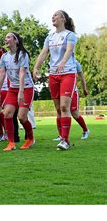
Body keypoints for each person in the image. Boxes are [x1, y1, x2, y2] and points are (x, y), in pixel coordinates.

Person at [34, 10, 78, 150]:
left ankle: (65, 140)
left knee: (65, 107)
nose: (53, 17)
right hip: (53, 74)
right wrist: (36, 68)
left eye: (56, 15)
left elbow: (69, 51)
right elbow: (43, 53)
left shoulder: (70, 35)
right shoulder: (50, 37)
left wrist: (63, 63)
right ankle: (62, 138)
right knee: (58, 108)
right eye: (52, 16)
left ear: (63, 19)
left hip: (68, 73)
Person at [0, 32, 35, 151]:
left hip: (26, 88)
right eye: (5, 37)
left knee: (22, 117)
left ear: (16, 40)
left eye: (8, 37)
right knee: (7, 114)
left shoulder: (23, 54)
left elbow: (22, 73)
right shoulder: (4, 56)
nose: (5, 39)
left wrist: (21, 91)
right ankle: (11, 143)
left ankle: (30, 138)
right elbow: (2, 74)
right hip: (12, 89)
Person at [68, 60, 89, 139]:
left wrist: (84, 89)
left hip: (73, 92)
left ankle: (86, 130)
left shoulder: (75, 62)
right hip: (61, 92)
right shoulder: (56, 61)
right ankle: (61, 135)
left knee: (75, 114)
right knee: (61, 112)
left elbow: (82, 77)